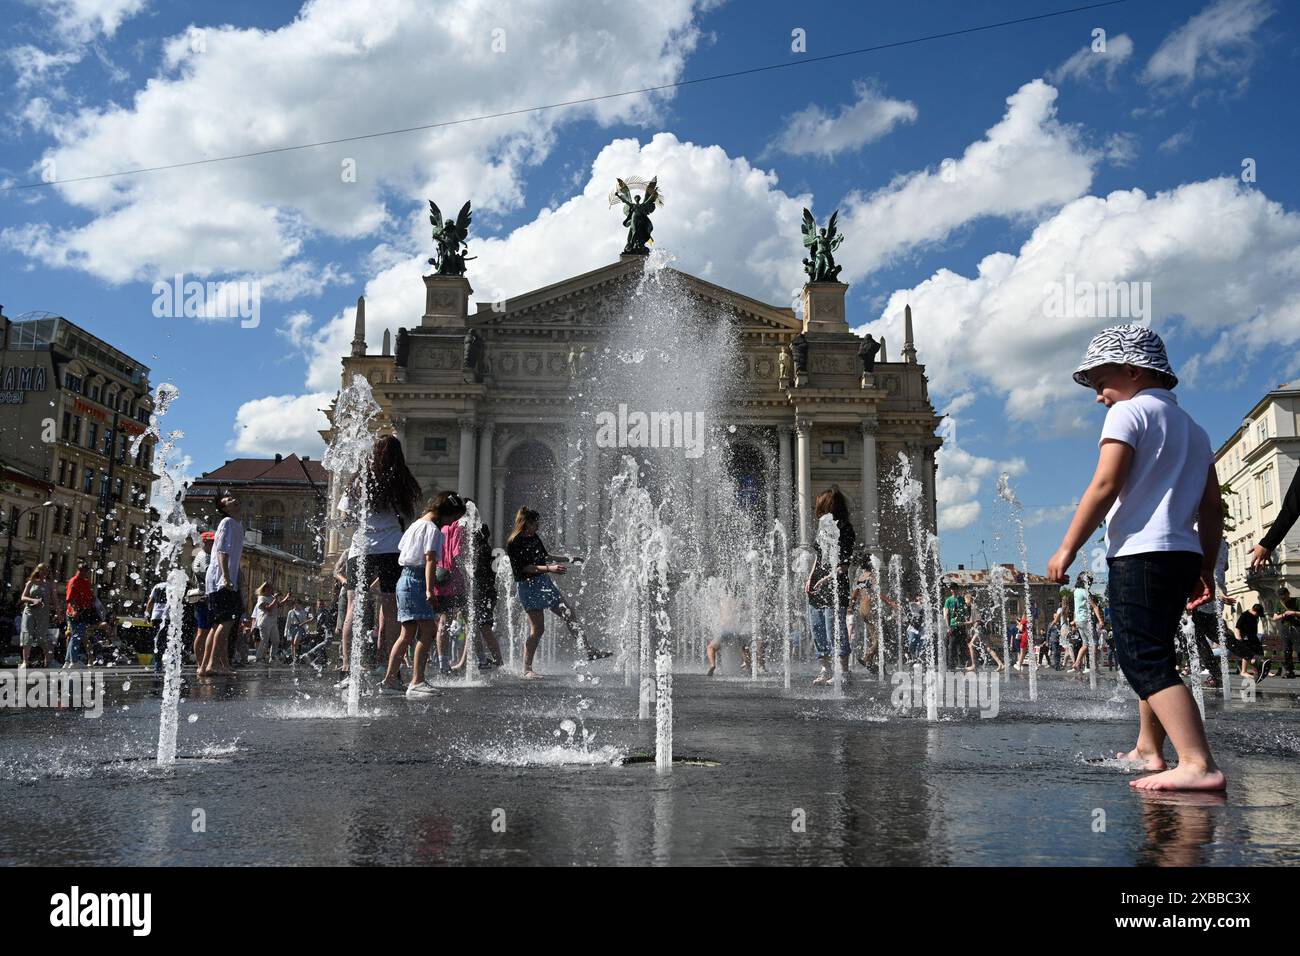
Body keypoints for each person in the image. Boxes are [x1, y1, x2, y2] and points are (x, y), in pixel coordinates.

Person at [1047, 324, 1225, 791]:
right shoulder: (1196, 428)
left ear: (1132, 370)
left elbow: (1105, 485)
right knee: (1159, 651)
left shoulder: (1129, 414)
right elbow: (1213, 506)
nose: (1098, 396)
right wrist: (1206, 565)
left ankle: (1197, 762)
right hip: (1183, 552)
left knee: (1141, 656)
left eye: (1101, 381)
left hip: (1142, 553)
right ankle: (1149, 747)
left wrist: (1068, 546)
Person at [336, 435, 420, 688]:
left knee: (354, 608)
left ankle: (347, 670)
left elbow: (345, 520)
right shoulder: (403, 482)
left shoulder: (358, 480)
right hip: (391, 549)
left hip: (360, 550)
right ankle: (391, 674)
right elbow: (409, 518)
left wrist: (362, 521)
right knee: (391, 610)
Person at [506, 506, 610, 679]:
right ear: (527, 523)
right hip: (528, 586)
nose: (538, 527)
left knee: (569, 613)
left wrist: (569, 559)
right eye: (535, 523)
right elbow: (525, 567)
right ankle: (527, 668)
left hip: (543, 582)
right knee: (538, 629)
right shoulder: (514, 542)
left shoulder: (533, 537)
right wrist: (550, 568)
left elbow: (544, 556)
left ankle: (589, 650)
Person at [381, 496, 444, 697]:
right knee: (428, 631)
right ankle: (417, 681)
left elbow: (403, 551)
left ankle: (390, 680)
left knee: (406, 634)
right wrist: (429, 589)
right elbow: (430, 560)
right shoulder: (432, 529)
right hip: (417, 580)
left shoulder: (415, 525)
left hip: (405, 578)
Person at [804, 487, 857, 685]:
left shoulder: (845, 528)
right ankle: (826, 669)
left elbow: (844, 565)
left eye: (820, 503)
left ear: (829, 504)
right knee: (817, 628)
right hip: (817, 584)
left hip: (835, 584)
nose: (817, 506)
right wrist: (810, 577)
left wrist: (826, 579)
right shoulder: (823, 528)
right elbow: (818, 557)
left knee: (834, 628)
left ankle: (843, 672)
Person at [453, 503, 504, 672]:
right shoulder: (485, 549)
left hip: (482, 593)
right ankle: (470, 661)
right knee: (475, 626)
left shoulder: (481, 551)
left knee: (483, 626)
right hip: (483, 593)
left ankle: (499, 661)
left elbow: (475, 573)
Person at [199, 491, 244, 678]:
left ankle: (210, 666)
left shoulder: (237, 524)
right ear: (224, 508)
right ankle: (210, 665)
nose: (234, 499)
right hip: (221, 580)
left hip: (223, 580)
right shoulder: (227, 523)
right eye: (229, 500)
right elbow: (222, 552)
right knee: (225, 622)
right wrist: (225, 577)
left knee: (220, 624)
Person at [18, 564, 53, 669]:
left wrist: (59, 612)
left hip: (43, 613)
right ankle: (25, 661)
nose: (45, 573)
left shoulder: (50, 584)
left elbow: (55, 599)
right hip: (29, 612)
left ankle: (48, 657)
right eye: (43, 570)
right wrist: (33, 600)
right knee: (27, 635)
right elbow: (23, 597)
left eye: (47, 571)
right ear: (38, 571)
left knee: (40, 637)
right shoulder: (31, 582)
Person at [64, 562, 97, 667]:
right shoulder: (74, 581)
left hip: (83, 612)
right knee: (77, 636)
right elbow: (69, 599)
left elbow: (90, 596)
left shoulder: (85, 582)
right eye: (84, 571)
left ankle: (68, 661)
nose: (86, 573)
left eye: (87, 571)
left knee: (75, 636)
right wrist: (74, 610)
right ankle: (73, 661)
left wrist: (93, 600)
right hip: (75, 612)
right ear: (79, 570)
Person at [1229, 603, 1270, 681]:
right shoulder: (1245, 615)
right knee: (1247, 653)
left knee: (1259, 652)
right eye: (1257, 614)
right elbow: (1237, 628)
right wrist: (1238, 638)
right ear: (1254, 610)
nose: (1258, 616)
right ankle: (1243, 671)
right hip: (1246, 638)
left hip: (1253, 637)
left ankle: (1259, 669)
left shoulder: (1255, 616)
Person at [190, 533, 213, 666]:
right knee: (203, 631)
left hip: (204, 598)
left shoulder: (202, 555)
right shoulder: (205, 557)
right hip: (204, 598)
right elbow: (208, 575)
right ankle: (201, 663)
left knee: (205, 631)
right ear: (204, 543)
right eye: (211, 542)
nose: (214, 545)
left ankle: (204, 662)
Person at [253, 584, 291, 664]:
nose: (272, 590)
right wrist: (275, 599)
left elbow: (279, 605)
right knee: (264, 641)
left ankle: (272, 656)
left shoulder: (272, 597)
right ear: (265, 589)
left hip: (273, 622)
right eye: (270, 589)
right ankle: (258, 658)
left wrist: (287, 597)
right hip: (264, 622)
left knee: (276, 640)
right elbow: (268, 608)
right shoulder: (261, 598)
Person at [1268, 586, 1299, 680]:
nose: (1283, 599)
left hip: (1297, 628)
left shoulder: (1297, 601)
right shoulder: (1279, 604)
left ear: (1288, 593)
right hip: (1285, 629)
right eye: (1281, 597)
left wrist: (1294, 613)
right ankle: (1289, 671)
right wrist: (1284, 614)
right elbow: (1274, 617)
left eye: (1284, 596)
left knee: (1299, 649)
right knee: (1287, 651)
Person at [145, 578, 170, 674]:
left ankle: (157, 662)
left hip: (156, 616)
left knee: (158, 640)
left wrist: (147, 612)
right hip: (167, 616)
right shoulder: (173, 587)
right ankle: (159, 663)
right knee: (166, 640)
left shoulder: (157, 586)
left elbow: (151, 600)